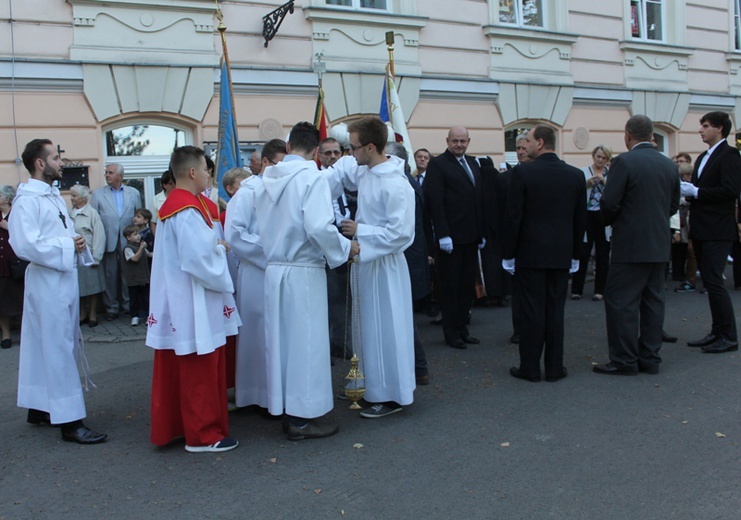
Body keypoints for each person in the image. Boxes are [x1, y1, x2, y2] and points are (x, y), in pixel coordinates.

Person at [253, 123, 358, 440]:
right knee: (307, 345)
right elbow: (318, 227)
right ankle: (304, 418)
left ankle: (287, 409)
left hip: (274, 270)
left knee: (283, 345)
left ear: (287, 146)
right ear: (315, 151)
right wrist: (344, 248)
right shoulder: (311, 176)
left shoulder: (264, 179)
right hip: (302, 270)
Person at [9, 139, 106, 444]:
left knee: (44, 345)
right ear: (40, 163)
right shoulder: (27, 201)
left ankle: (40, 407)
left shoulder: (52, 196)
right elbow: (24, 244)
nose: (61, 162)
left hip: (61, 278)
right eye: (55, 157)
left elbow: (54, 235)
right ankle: (70, 421)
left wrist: (74, 241)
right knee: (59, 347)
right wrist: (68, 244)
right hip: (47, 281)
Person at [146, 145, 241, 453]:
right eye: (205, 169)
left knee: (186, 362)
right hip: (193, 297)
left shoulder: (186, 204)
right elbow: (198, 259)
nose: (208, 174)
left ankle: (183, 426)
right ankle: (203, 434)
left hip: (183, 294)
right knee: (198, 363)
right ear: (192, 172)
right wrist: (221, 250)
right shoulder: (185, 209)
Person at [325, 117, 416, 417]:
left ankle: (391, 395)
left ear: (371, 147)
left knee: (386, 328)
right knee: (365, 328)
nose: (349, 154)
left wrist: (360, 231)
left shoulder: (396, 184)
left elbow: (401, 233)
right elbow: (337, 176)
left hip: (386, 267)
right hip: (365, 263)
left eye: (352, 148)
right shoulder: (365, 170)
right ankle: (365, 384)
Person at [593, 115, 680, 375]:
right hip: (658, 243)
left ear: (628, 135)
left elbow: (609, 203)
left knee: (621, 302)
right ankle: (650, 358)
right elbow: (673, 204)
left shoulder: (623, 162)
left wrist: (613, 221)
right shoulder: (668, 165)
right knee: (653, 302)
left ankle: (624, 360)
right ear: (651, 135)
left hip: (630, 244)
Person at [503, 125, 586, 382]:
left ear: (540, 143)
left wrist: (508, 254)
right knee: (555, 311)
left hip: (531, 255)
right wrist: (575, 255)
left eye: (527, 141)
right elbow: (579, 220)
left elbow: (513, 217)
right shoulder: (575, 175)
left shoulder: (523, 173)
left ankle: (529, 367)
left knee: (531, 312)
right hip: (561, 254)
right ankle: (553, 368)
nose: (524, 145)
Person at [225, 138, 287, 410]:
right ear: (264, 162)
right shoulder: (247, 191)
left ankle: (278, 392)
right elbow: (235, 233)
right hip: (257, 270)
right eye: (278, 164)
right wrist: (270, 255)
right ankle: (255, 395)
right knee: (257, 332)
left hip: (281, 270)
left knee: (277, 332)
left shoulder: (284, 188)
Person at [681, 111, 741, 353]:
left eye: (705, 126)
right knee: (710, 281)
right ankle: (717, 331)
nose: (701, 130)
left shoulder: (730, 154)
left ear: (719, 129)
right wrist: (690, 192)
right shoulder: (704, 156)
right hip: (703, 227)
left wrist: (696, 192)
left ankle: (729, 335)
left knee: (714, 281)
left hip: (719, 229)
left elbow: (729, 190)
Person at [423, 126, 485, 349]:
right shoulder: (438, 165)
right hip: (450, 239)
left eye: (463, 141)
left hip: (470, 236)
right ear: (447, 141)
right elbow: (435, 201)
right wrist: (443, 234)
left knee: (467, 287)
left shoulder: (473, 163)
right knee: (451, 287)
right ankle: (451, 333)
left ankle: (463, 329)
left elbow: (477, 199)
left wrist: (481, 232)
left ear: (469, 141)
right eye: (455, 141)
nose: (459, 144)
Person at [387, 141, 431, 386]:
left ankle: (417, 368)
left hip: (406, 257)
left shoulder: (404, 184)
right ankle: (417, 368)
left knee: (403, 317)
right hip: (408, 255)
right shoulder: (406, 182)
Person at [90, 163, 142, 321]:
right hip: (108, 240)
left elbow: (138, 217)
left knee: (128, 274)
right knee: (110, 275)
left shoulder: (133, 193)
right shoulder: (98, 194)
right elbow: (94, 220)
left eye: (110, 172)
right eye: (106, 172)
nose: (107, 175)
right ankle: (111, 308)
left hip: (129, 241)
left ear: (120, 176)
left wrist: (138, 238)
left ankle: (128, 306)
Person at [319, 137, 355, 360]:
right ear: (319, 155)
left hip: (350, 240)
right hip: (328, 241)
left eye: (336, 153)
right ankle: (327, 347)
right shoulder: (318, 180)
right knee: (328, 298)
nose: (332, 157)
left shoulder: (348, 179)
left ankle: (341, 343)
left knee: (345, 297)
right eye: (327, 153)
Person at [497, 132, 531, 344]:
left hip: (537, 242)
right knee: (518, 292)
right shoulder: (505, 179)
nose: (520, 152)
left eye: (524, 148)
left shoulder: (543, 175)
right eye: (517, 148)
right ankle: (519, 329)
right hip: (515, 243)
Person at [571, 145, 612, 301]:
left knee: (602, 253)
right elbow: (577, 191)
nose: (600, 160)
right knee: (583, 252)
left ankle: (600, 290)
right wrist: (587, 183)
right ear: (593, 156)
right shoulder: (583, 172)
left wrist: (605, 182)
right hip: (586, 215)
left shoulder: (611, 174)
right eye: (598, 156)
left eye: (604, 158)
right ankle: (576, 289)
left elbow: (614, 192)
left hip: (603, 216)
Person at [69, 184, 106, 329]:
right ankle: (82, 314)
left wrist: (96, 257)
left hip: (89, 255)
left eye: (74, 196)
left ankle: (92, 315)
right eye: (71, 195)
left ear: (83, 198)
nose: (71, 198)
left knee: (92, 288)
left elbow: (99, 235)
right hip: (75, 256)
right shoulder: (68, 213)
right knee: (79, 287)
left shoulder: (92, 213)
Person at [0, 185, 24, 349]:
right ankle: (6, 334)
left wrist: (9, 228)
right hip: (0, 267)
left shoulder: (17, 215)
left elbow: (25, 236)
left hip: (16, 266)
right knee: (2, 302)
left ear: (6, 199)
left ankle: (25, 334)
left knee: (20, 301)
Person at [122, 224, 150, 327]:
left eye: (138, 233)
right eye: (135, 234)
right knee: (134, 299)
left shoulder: (140, 246)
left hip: (144, 278)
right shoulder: (128, 249)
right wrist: (141, 248)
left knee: (146, 298)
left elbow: (149, 254)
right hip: (133, 279)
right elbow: (134, 259)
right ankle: (134, 316)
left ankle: (148, 315)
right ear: (128, 237)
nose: (138, 236)